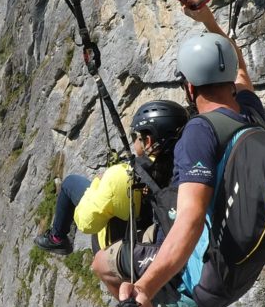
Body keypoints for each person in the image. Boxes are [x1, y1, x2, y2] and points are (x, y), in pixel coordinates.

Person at [92, 0, 265, 307]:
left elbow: (190, 219)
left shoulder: (198, 134)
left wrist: (144, 289)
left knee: (102, 262)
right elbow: (240, 68)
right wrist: (208, 21)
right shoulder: (252, 116)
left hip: (202, 281)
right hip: (245, 263)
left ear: (188, 85)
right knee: (145, 235)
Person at [33, 100, 189, 255]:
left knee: (69, 183)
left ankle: (56, 238)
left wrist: (99, 184)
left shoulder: (121, 177)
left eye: (136, 136)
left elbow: (86, 223)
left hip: (116, 250)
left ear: (148, 142)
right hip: (152, 237)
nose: (133, 140)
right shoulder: (181, 166)